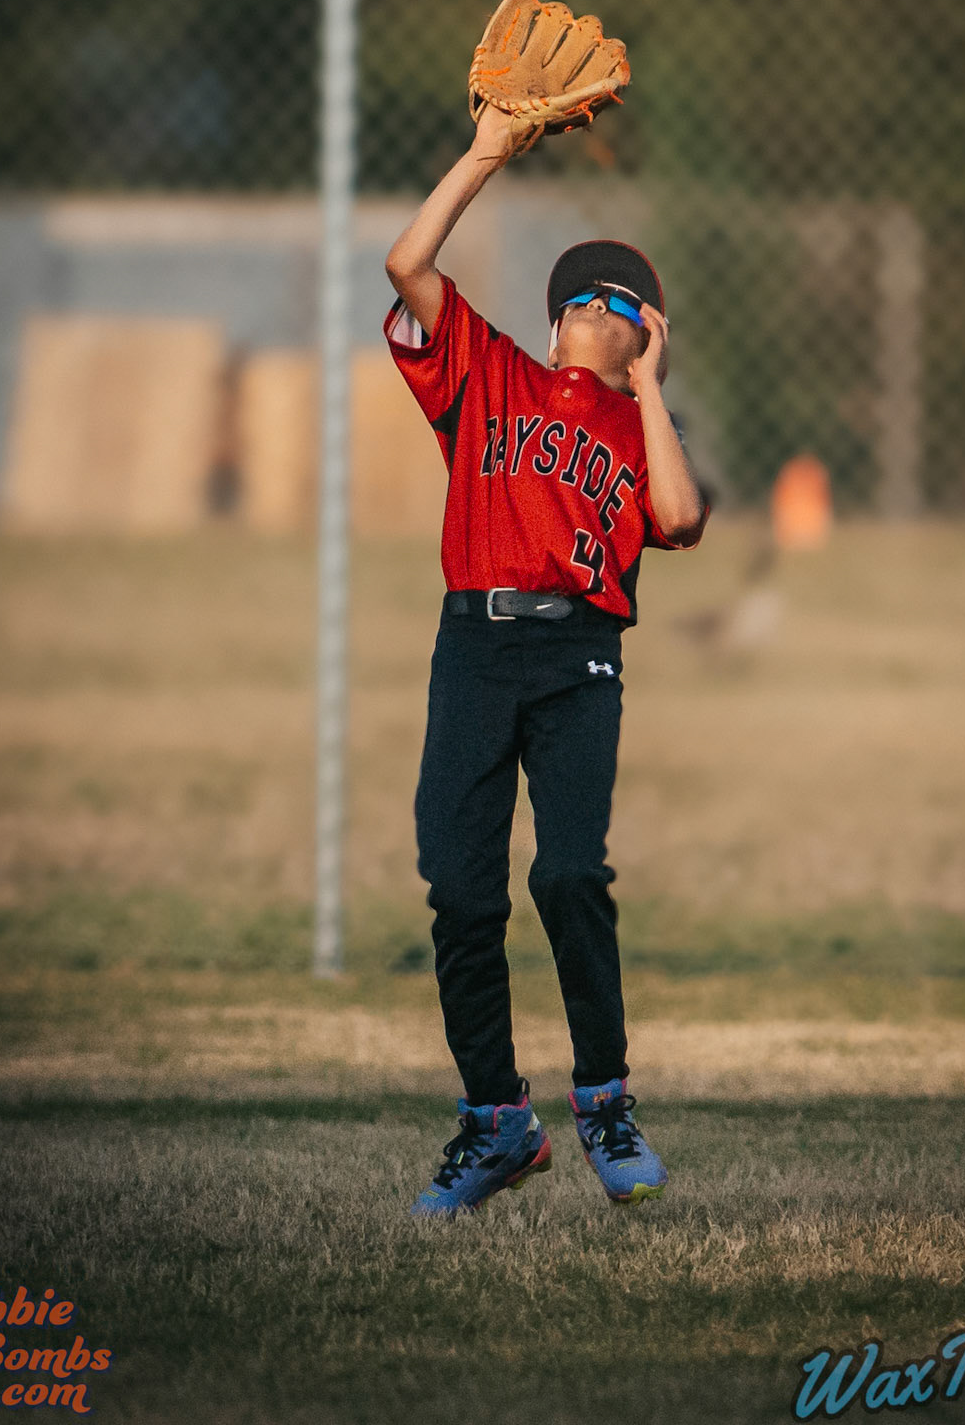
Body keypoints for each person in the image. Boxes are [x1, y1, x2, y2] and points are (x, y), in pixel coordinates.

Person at [384, 100, 709, 1216]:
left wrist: (654, 389)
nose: (593, 307)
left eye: (621, 301)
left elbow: (681, 514)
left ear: (644, 336)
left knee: (568, 873)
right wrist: (484, 152)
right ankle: (496, 1120)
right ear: (553, 316)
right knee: (461, 890)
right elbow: (407, 261)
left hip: (579, 657)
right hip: (473, 643)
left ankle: (606, 1099)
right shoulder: (489, 376)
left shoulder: (636, 428)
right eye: (579, 292)